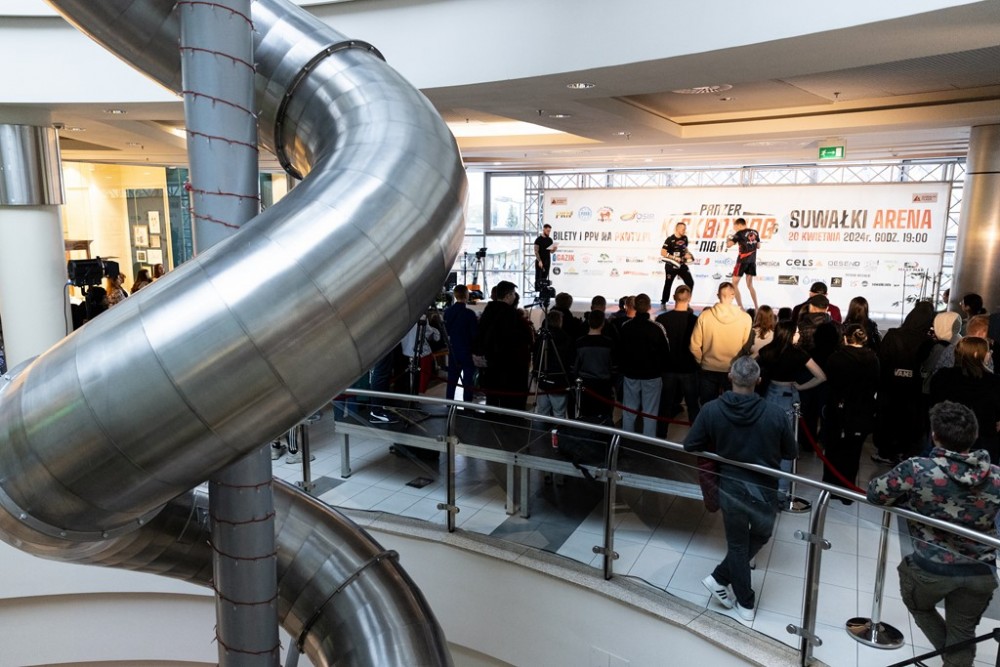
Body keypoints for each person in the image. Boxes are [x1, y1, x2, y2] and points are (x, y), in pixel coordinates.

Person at [868, 401, 1000, 667]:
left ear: (934, 435)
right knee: (962, 634)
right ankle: (956, 659)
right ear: (974, 435)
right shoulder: (996, 475)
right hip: (980, 571)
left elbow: (875, 493)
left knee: (918, 604)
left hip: (930, 569)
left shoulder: (917, 468)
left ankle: (953, 658)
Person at [683, 356, 796, 622]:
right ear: (759, 381)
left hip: (730, 485)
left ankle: (720, 577)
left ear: (730, 377)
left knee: (739, 543)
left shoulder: (711, 410)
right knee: (759, 535)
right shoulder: (775, 414)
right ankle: (745, 600)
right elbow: (790, 452)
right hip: (764, 487)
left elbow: (691, 444)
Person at [873, 301, 936, 464]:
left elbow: (881, 360)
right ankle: (904, 452)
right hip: (914, 389)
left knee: (887, 418)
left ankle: (885, 452)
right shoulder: (928, 341)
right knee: (909, 420)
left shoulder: (893, 335)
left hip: (889, 386)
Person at [822, 324, 879, 499]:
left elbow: (830, 382)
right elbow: (875, 384)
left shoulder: (836, 358)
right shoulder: (873, 358)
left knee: (833, 450)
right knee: (853, 453)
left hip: (837, 409)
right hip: (862, 411)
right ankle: (847, 491)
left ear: (845, 338)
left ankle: (830, 488)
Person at [930, 337, 1000, 460]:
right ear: (976, 354)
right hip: (982, 442)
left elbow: (934, 404)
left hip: (946, 437)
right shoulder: (994, 382)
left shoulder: (941, 377)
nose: (990, 353)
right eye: (988, 351)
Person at [690, 282, 752, 408]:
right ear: (733, 295)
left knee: (708, 407)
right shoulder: (745, 318)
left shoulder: (705, 316)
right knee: (733, 407)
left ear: (718, 295)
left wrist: (703, 362)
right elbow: (746, 347)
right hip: (733, 369)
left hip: (709, 369)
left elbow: (694, 346)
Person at [616, 293, 669, 438]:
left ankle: (627, 440)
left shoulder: (626, 327)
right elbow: (665, 352)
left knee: (629, 411)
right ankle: (648, 441)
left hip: (631, 374)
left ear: (634, 307)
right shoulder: (657, 327)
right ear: (649, 307)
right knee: (650, 412)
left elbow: (620, 351)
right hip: (652, 375)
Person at [481, 281, 534, 410]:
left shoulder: (488, 311)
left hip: (491, 363)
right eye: (513, 294)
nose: (515, 296)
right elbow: (521, 339)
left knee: (493, 400)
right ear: (508, 295)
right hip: (510, 366)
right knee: (511, 402)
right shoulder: (511, 315)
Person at [656, 285, 701, 437]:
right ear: (689, 298)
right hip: (689, 368)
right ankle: (696, 438)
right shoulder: (695, 320)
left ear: (674, 297)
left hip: (668, 368)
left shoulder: (662, 319)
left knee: (665, 404)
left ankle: (660, 436)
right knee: (692, 405)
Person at [533, 310, 575, 418]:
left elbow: (536, 357)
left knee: (542, 412)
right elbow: (569, 360)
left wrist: (536, 374)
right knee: (559, 413)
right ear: (559, 321)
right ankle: (556, 429)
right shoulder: (565, 338)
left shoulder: (542, 338)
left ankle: (541, 429)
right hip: (559, 381)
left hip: (542, 379)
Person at [574, 310, 616, 420]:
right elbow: (613, 366)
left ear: (588, 321)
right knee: (603, 417)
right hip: (604, 386)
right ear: (603, 323)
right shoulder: (609, 343)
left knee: (585, 416)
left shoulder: (579, 342)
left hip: (585, 385)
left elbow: (575, 367)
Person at [443, 284, 479, 401]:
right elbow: (474, 334)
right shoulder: (469, 314)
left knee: (452, 379)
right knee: (468, 380)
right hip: (466, 350)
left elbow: (446, 330)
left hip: (453, 349)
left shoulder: (448, 312)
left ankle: (449, 402)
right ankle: (467, 404)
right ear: (466, 295)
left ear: (455, 295)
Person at [725, 217, 759, 310]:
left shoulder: (739, 233)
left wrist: (728, 238)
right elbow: (758, 246)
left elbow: (729, 245)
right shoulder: (755, 232)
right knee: (750, 285)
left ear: (739, 225)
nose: (735, 228)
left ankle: (741, 308)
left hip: (742, 262)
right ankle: (757, 307)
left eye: (735, 226)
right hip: (752, 262)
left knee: (734, 284)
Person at [660, 221, 694, 307]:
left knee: (690, 282)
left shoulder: (685, 238)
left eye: (685, 229)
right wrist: (674, 257)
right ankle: (663, 302)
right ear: (677, 229)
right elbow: (663, 252)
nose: (684, 231)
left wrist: (687, 254)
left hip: (681, 265)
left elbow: (684, 248)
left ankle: (686, 301)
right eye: (683, 229)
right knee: (668, 284)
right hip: (671, 266)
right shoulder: (670, 239)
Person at [533, 223, 557, 289]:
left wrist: (554, 249)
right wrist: (539, 261)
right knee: (538, 278)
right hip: (540, 261)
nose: (549, 232)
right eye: (547, 231)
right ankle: (538, 291)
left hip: (547, 261)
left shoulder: (550, 240)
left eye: (549, 231)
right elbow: (536, 251)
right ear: (544, 229)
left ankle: (544, 292)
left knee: (545, 278)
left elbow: (551, 251)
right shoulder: (538, 240)